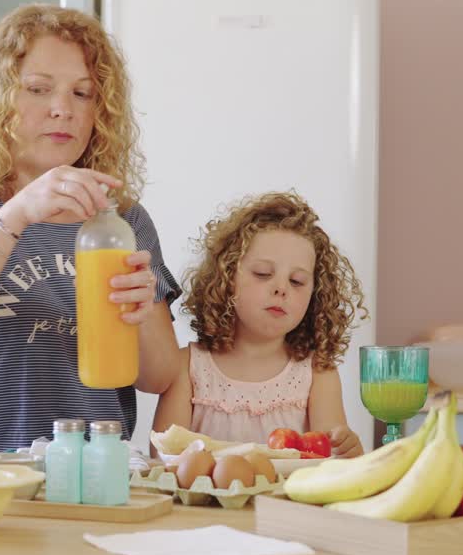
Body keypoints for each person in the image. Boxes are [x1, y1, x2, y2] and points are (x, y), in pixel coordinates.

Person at [0, 4, 181, 454]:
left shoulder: (121, 220)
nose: (63, 109)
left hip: (92, 472)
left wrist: (140, 314)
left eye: (83, 94)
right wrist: (14, 216)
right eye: (39, 89)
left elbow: (158, 377)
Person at [152, 192, 367, 458]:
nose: (281, 289)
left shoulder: (316, 373)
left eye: (297, 281)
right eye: (263, 274)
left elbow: (329, 464)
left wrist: (348, 451)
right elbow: (164, 457)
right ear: (227, 279)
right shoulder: (187, 367)